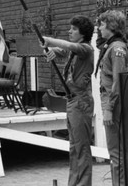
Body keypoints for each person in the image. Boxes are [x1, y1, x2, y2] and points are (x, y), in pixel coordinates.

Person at [41, 15, 95, 186]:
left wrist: (50, 40)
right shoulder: (73, 50)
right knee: (74, 148)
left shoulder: (86, 49)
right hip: (72, 101)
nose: (69, 31)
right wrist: (50, 51)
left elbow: (69, 46)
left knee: (82, 148)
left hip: (81, 101)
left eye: (73, 29)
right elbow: (62, 51)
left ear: (83, 33)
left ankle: (83, 184)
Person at [96, 10, 128, 186]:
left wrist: (109, 108)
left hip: (113, 102)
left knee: (117, 151)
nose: (99, 27)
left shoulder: (117, 48)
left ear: (111, 25)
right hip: (109, 99)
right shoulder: (110, 46)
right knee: (114, 151)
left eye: (102, 24)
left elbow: (118, 80)